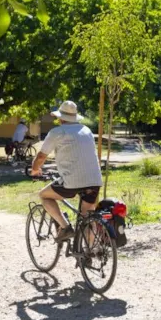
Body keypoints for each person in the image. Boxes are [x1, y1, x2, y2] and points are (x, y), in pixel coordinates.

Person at [30, 101, 103, 242]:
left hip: (72, 181)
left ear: (60, 118)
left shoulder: (57, 132)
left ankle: (65, 227)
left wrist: (34, 169)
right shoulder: (86, 130)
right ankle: (90, 253)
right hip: (94, 180)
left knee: (44, 195)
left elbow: (41, 156)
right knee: (87, 216)